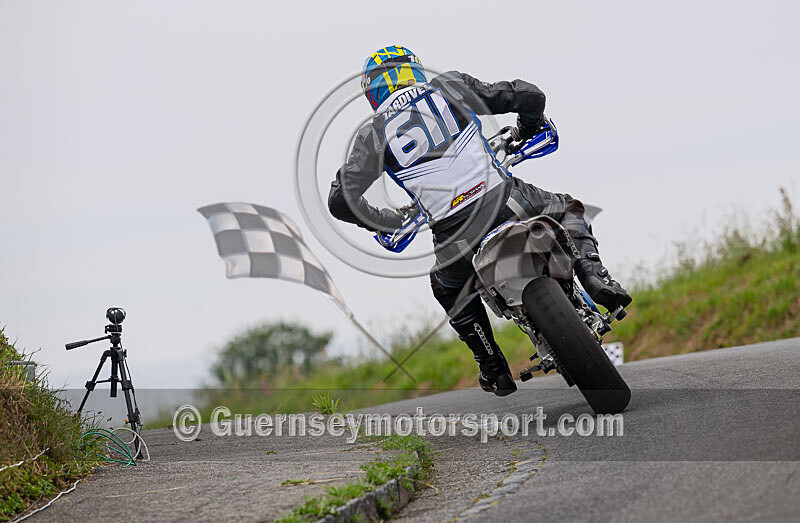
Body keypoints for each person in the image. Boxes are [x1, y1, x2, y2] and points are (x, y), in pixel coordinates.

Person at [328, 45, 631, 397]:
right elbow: (530, 95)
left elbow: (340, 201)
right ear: (414, 71)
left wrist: (386, 221)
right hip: (507, 203)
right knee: (568, 209)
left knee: (446, 287)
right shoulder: (449, 86)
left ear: (373, 92)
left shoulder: (373, 133)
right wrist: (528, 128)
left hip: (454, 238)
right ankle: (596, 279)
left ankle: (493, 367)